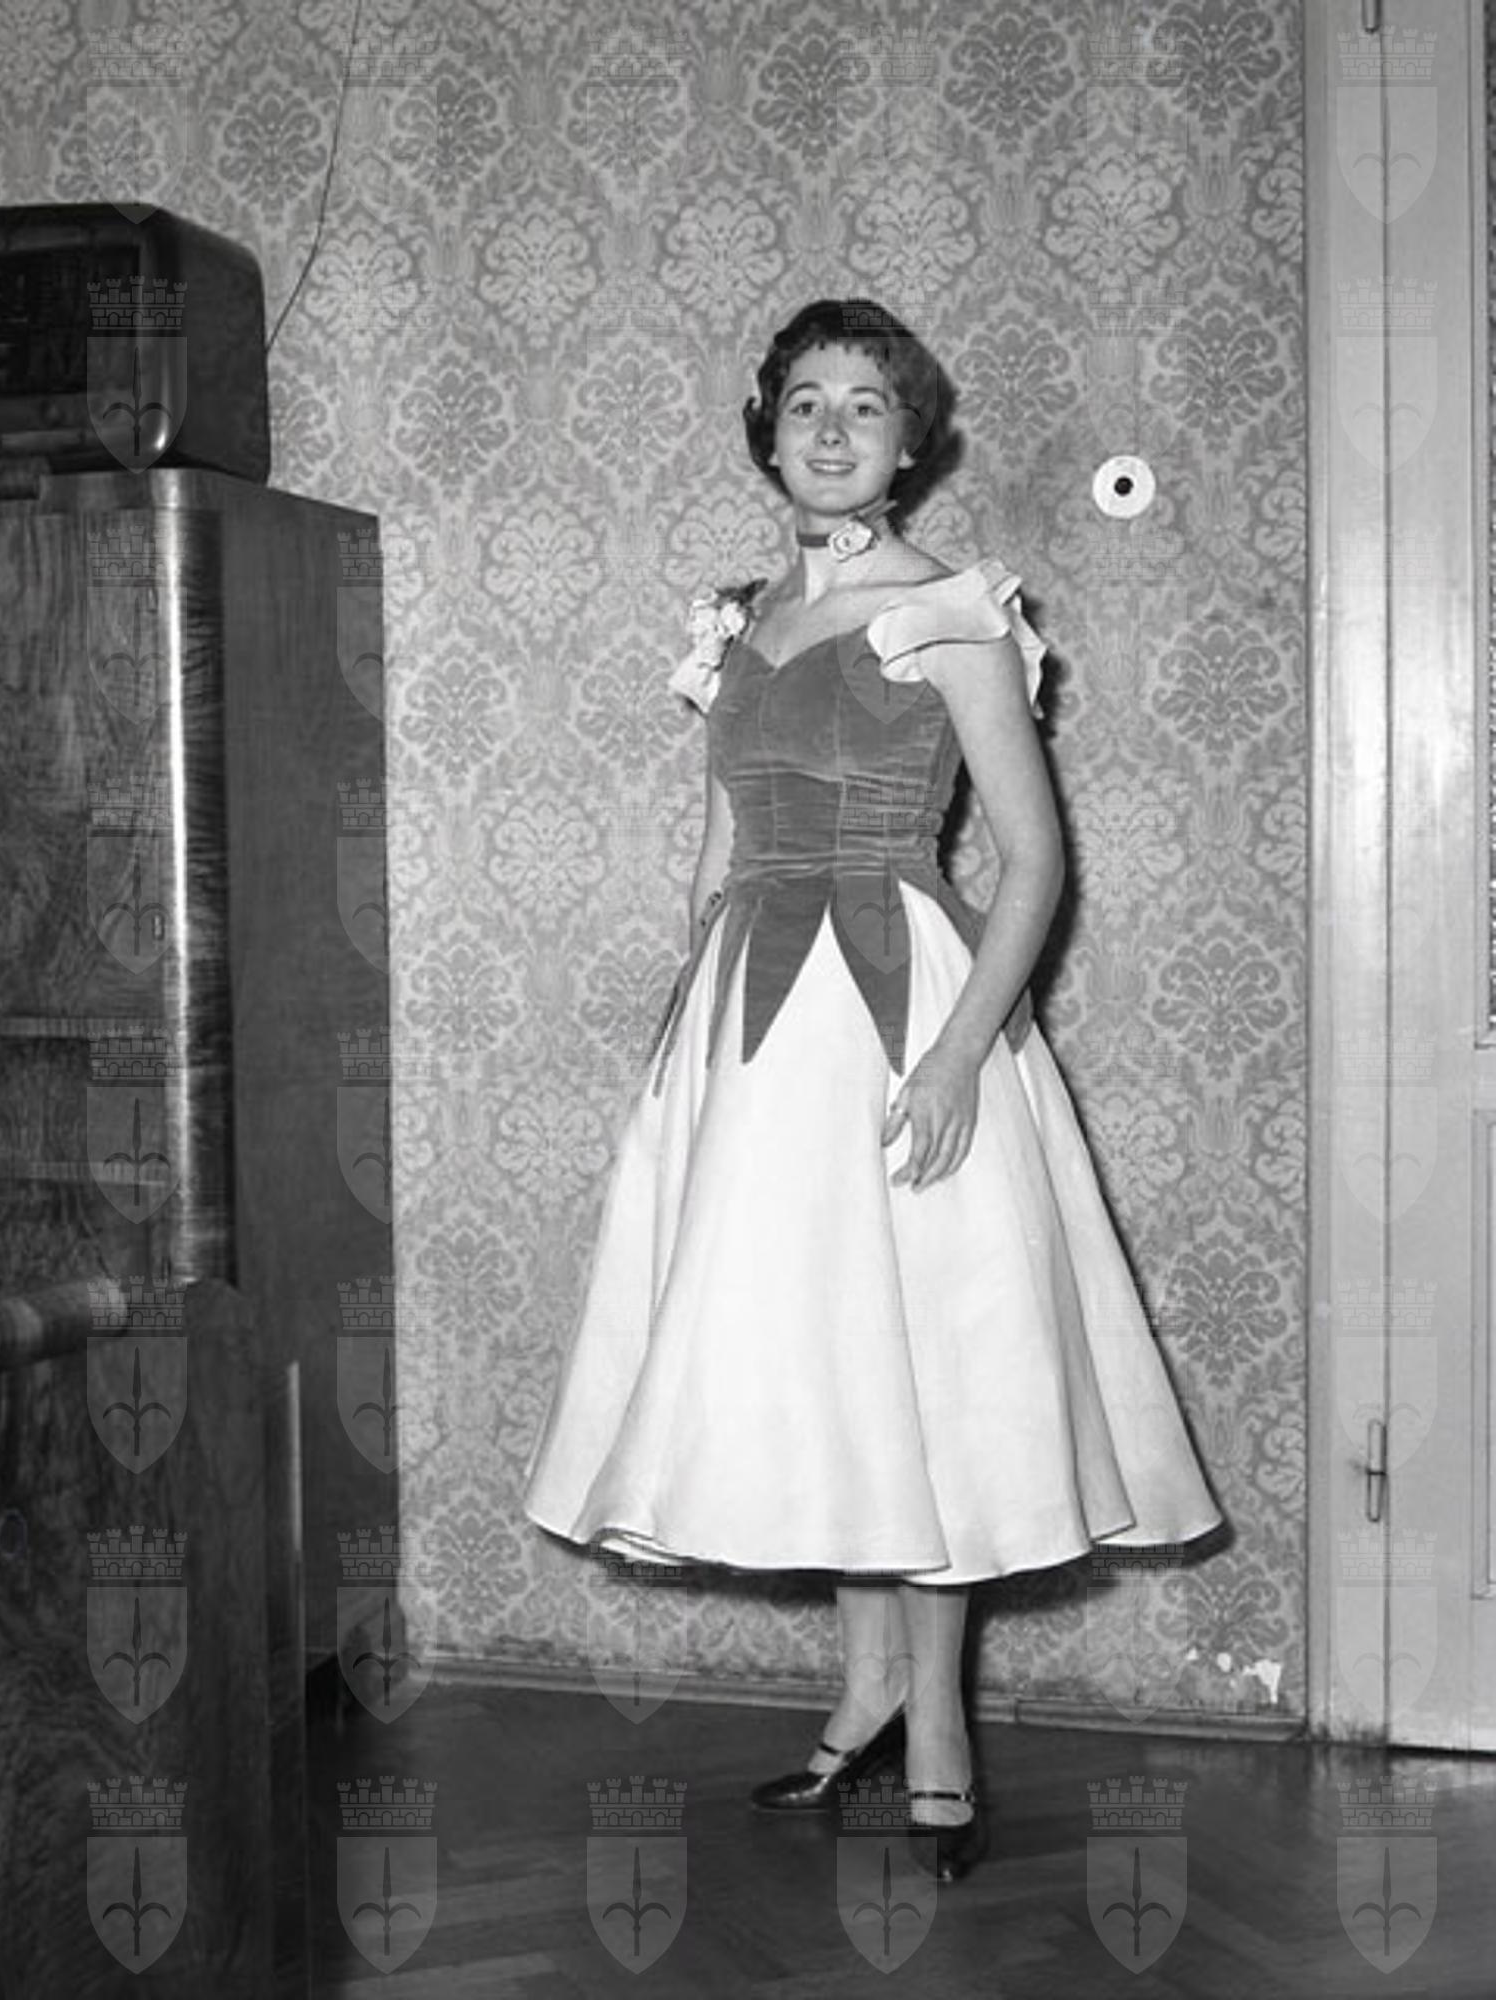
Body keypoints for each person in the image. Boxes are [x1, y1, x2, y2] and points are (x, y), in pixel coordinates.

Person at [521, 299, 1223, 1882]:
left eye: (865, 405)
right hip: (753, 1028)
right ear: (765, 431)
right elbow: (715, 853)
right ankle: (862, 1703)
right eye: (805, 402)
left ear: (912, 444)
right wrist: (687, 1042)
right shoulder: (737, 620)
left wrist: (961, 1050)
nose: (831, 429)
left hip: (903, 1009)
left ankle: (942, 1732)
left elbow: (1033, 862)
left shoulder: (950, 613)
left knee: (928, 1372)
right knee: (828, 1364)